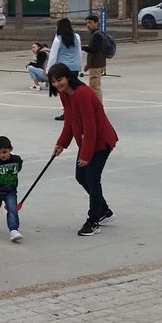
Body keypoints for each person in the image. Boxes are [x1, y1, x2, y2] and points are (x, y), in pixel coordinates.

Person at [49, 63, 117, 236]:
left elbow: (90, 127)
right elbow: (70, 121)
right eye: (54, 81)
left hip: (101, 141)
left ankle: (93, 220)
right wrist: (61, 143)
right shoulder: (65, 94)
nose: (57, 84)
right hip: (87, 141)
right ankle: (103, 210)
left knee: (92, 178)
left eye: (60, 80)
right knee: (81, 176)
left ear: (68, 77)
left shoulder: (83, 94)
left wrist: (86, 155)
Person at [0, 135, 24, 243]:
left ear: (11, 149)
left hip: (10, 191)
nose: (2, 155)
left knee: (12, 209)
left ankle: (14, 230)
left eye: (5, 152)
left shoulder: (16, 160)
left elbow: (19, 167)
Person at [46, 17, 82, 120]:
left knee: (63, 91)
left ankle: (67, 111)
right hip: (74, 67)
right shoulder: (76, 37)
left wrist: (49, 69)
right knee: (73, 90)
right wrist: (78, 65)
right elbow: (79, 52)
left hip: (62, 68)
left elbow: (53, 55)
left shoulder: (58, 39)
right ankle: (76, 110)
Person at [83, 14, 109, 103]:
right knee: (93, 86)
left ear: (96, 23)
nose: (88, 25)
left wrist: (82, 47)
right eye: (86, 23)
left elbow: (94, 50)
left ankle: (98, 106)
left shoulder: (97, 35)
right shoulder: (95, 34)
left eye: (90, 22)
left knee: (95, 87)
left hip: (97, 64)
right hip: (96, 63)